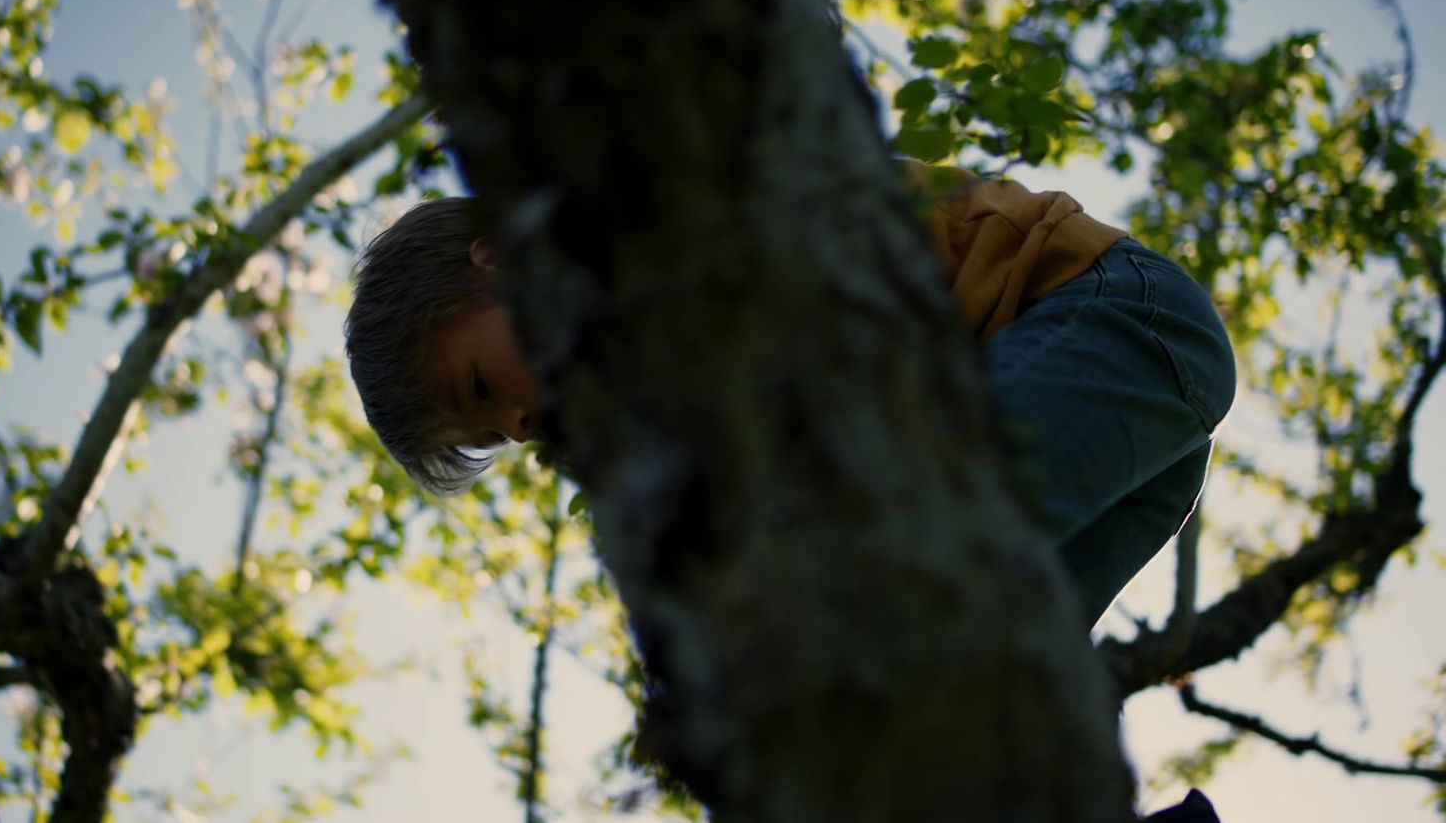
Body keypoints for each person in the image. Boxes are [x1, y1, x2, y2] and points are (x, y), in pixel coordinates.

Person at [345, 160, 1236, 628]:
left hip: (1103, 320)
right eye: (502, 433)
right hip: (1111, 418)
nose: (521, 420)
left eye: (482, 382)